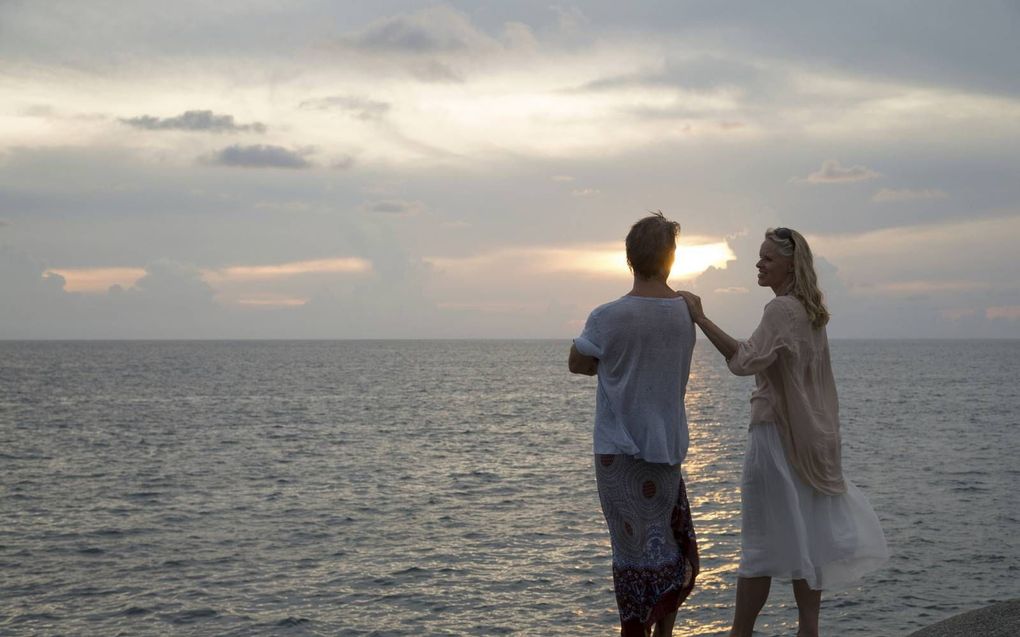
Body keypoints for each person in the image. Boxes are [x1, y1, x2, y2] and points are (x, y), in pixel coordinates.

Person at [677, 228, 888, 637]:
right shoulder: (811, 313)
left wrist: (700, 317)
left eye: (767, 258)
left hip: (776, 436)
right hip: (813, 441)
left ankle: (740, 633)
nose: (759, 264)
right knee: (807, 547)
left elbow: (743, 361)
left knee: (759, 546)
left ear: (790, 264)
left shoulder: (780, 312)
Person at [569, 212, 700, 637]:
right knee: (666, 545)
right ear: (671, 259)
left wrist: (611, 368)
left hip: (617, 452)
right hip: (666, 446)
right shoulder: (685, 314)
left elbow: (577, 363)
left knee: (630, 554)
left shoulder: (607, 316)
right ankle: (665, 632)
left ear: (628, 259)